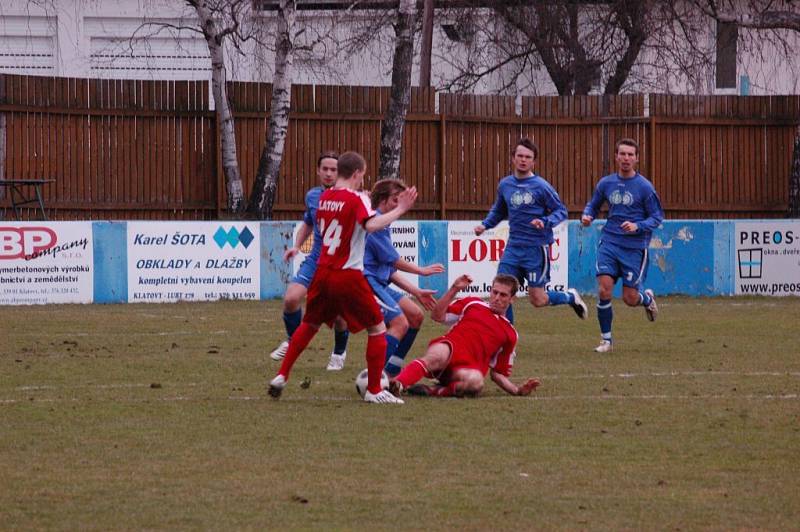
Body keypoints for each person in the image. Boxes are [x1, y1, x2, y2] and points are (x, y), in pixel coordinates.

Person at [268, 151, 417, 404]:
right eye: (362, 175)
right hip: (348, 274)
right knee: (378, 328)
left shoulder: (324, 198)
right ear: (358, 173)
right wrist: (401, 208)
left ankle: (282, 375)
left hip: (322, 273)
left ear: (339, 172)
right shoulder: (357, 198)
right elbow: (370, 225)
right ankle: (374, 390)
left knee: (310, 324)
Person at [474, 138, 587, 324]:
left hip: (536, 249)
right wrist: (485, 225)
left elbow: (561, 211)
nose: (523, 160)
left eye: (528, 157)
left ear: (533, 161)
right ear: (513, 158)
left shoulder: (542, 186)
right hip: (513, 247)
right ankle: (507, 345)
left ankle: (570, 297)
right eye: (520, 156)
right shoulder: (505, 185)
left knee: (538, 299)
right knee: (502, 293)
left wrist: (545, 221)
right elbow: (499, 210)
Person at [389, 274, 541, 398]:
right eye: (494, 292)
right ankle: (397, 384)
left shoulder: (510, 333)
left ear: (512, 299)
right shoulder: (473, 303)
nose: (496, 298)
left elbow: (497, 374)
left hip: (467, 370)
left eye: (503, 295)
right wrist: (454, 289)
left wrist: (517, 391)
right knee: (438, 354)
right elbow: (437, 315)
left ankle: (433, 391)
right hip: (450, 349)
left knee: (476, 383)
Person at [268, 151, 350, 371]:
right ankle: (293, 340)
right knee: (291, 300)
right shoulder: (313, 196)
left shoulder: (350, 196)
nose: (329, 173)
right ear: (318, 170)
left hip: (338, 263)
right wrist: (296, 245)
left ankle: (339, 352)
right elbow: (308, 223)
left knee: (339, 315)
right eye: (325, 169)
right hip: (315, 259)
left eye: (334, 170)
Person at [581, 138, 664, 353]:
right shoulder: (606, 183)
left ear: (636, 158)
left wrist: (638, 225)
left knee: (630, 298)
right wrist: (588, 215)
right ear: (616, 157)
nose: (626, 158)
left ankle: (646, 299)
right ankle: (606, 340)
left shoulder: (645, 187)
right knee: (604, 289)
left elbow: (657, 217)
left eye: (630, 155)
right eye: (622, 154)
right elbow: (594, 204)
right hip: (609, 242)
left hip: (634, 248)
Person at [363, 178, 445, 377]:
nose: (400, 206)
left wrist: (415, 291)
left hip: (378, 282)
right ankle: (373, 378)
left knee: (415, 315)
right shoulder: (376, 223)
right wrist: (421, 271)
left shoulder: (383, 222)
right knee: (400, 323)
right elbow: (393, 260)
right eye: (395, 200)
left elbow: (388, 269)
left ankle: (392, 369)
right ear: (382, 200)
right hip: (367, 283)